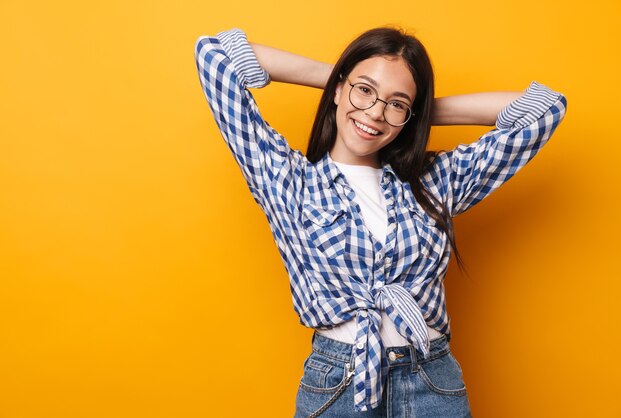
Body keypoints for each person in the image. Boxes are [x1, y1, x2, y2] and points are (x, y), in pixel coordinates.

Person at [194, 27, 567, 417]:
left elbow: (543, 109)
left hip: (431, 380)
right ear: (339, 90)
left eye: (396, 104)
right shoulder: (289, 181)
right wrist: (342, 80)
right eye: (365, 91)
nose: (374, 113)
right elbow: (215, 54)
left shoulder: (435, 181)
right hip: (338, 383)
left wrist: (415, 114)